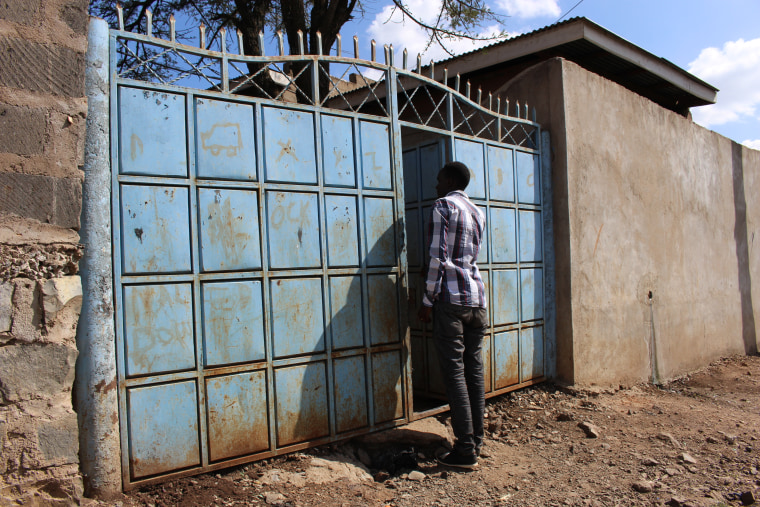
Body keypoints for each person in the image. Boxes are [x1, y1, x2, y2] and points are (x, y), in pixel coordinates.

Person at [418, 161, 487, 470]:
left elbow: (438, 256)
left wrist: (427, 299)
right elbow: (469, 256)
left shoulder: (443, 205)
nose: (435, 185)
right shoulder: (477, 211)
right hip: (476, 300)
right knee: (473, 371)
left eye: (437, 179)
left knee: (455, 373)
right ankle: (477, 440)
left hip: (451, 301)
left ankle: (465, 449)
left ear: (448, 180)